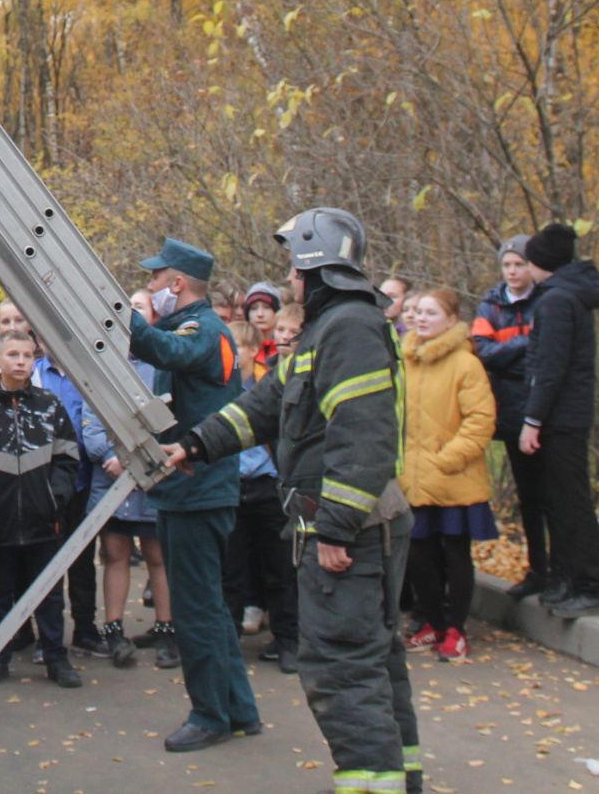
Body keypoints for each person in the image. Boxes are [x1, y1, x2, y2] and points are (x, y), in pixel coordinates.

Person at [164, 208, 422, 794]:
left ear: (314, 267)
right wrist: (197, 444)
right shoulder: (327, 331)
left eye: (293, 266)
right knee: (372, 661)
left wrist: (333, 530)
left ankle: (372, 783)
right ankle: (400, 778)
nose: (289, 278)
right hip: (354, 525)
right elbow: (265, 404)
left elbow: (365, 438)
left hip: (349, 532)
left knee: (343, 667)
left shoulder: (350, 329)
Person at [125, 238, 262, 754]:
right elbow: (154, 342)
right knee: (207, 605)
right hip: (196, 490)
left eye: (157, 280)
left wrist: (121, 312)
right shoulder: (198, 326)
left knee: (196, 609)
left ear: (177, 283)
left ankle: (210, 715)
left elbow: (166, 349)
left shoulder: (201, 329)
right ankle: (240, 709)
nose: (152, 288)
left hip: (197, 490)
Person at [0, 329, 84, 689]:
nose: (21, 362)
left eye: (27, 356)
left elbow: (68, 457)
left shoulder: (49, 405)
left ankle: (56, 657)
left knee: (50, 593)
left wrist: (54, 498)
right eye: (13, 355)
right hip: (0, 523)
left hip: (44, 521)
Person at [519, 223, 599, 618]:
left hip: (561, 418)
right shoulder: (563, 296)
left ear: (541, 263)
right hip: (563, 416)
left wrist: (533, 419)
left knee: (571, 501)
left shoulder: (557, 301)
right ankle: (567, 579)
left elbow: (550, 367)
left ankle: (593, 584)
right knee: (559, 502)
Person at [398, 288, 497, 663]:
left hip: (454, 477)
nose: (421, 318)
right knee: (419, 556)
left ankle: (456, 630)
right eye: (418, 312)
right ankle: (433, 625)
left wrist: (447, 459)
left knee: (455, 554)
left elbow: (481, 420)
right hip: (412, 478)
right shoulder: (404, 360)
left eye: (431, 313)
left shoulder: (465, 363)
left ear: (452, 320)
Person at [18, 302, 102, 655]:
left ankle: (85, 628)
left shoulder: (89, 375)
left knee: (83, 560)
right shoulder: (31, 374)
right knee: (44, 561)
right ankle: (46, 636)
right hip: (44, 484)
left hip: (82, 480)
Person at [78, 364, 172, 669]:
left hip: (151, 478)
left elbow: (166, 422)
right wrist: (113, 456)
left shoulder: (160, 369)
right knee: (114, 553)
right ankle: (114, 629)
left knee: (157, 556)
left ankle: (166, 628)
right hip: (111, 481)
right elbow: (91, 426)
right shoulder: (97, 365)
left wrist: (137, 459)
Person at [471, 235, 547, 600]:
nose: (514, 272)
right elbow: (483, 350)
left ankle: (558, 570)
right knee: (528, 497)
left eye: (520, 264)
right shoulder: (492, 305)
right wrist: (526, 343)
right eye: (508, 265)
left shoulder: (544, 301)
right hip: (511, 412)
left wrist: (513, 348)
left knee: (554, 497)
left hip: (545, 409)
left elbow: (547, 348)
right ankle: (538, 569)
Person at [222, 297, 293, 670]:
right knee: (232, 569)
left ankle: (287, 640)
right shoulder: (219, 388)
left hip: (267, 485)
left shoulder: (270, 384)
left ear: (252, 350)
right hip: (232, 486)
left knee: (279, 568)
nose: (230, 356)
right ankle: (229, 639)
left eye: (236, 348)